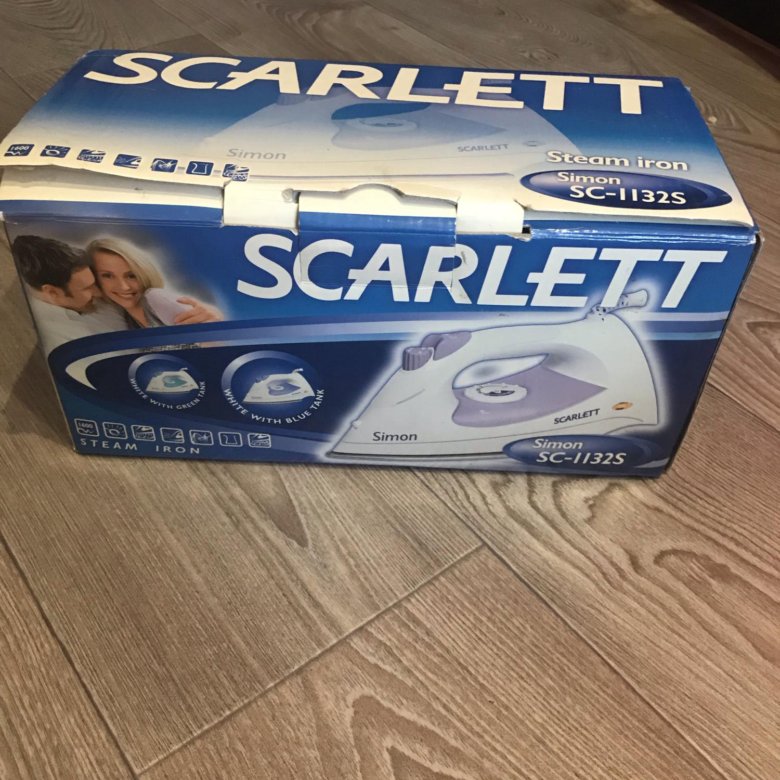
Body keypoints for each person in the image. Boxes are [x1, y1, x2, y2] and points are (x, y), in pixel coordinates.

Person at [12, 235, 126, 354]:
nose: (98, 293)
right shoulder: (54, 338)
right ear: (52, 292)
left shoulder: (93, 303)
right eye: (87, 288)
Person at [86, 237, 222, 328]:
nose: (124, 286)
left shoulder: (156, 298)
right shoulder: (124, 319)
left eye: (131, 276)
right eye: (107, 276)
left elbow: (214, 342)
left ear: (144, 272)